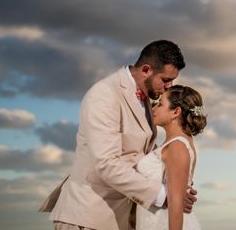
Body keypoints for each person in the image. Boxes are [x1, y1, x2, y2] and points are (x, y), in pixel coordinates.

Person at [39, 40, 196, 230]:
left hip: (120, 219)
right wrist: (163, 194)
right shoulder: (104, 94)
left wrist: (176, 189)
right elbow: (107, 163)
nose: (169, 86)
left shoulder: (147, 98)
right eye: (165, 80)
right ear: (146, 70)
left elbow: (140, 154)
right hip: (88, 218)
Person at [136, 85, 207, 230]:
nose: (154, 109)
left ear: (176, 112)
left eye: (160, 104)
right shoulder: (175, 143)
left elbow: (175, 204)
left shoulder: (177, 146)